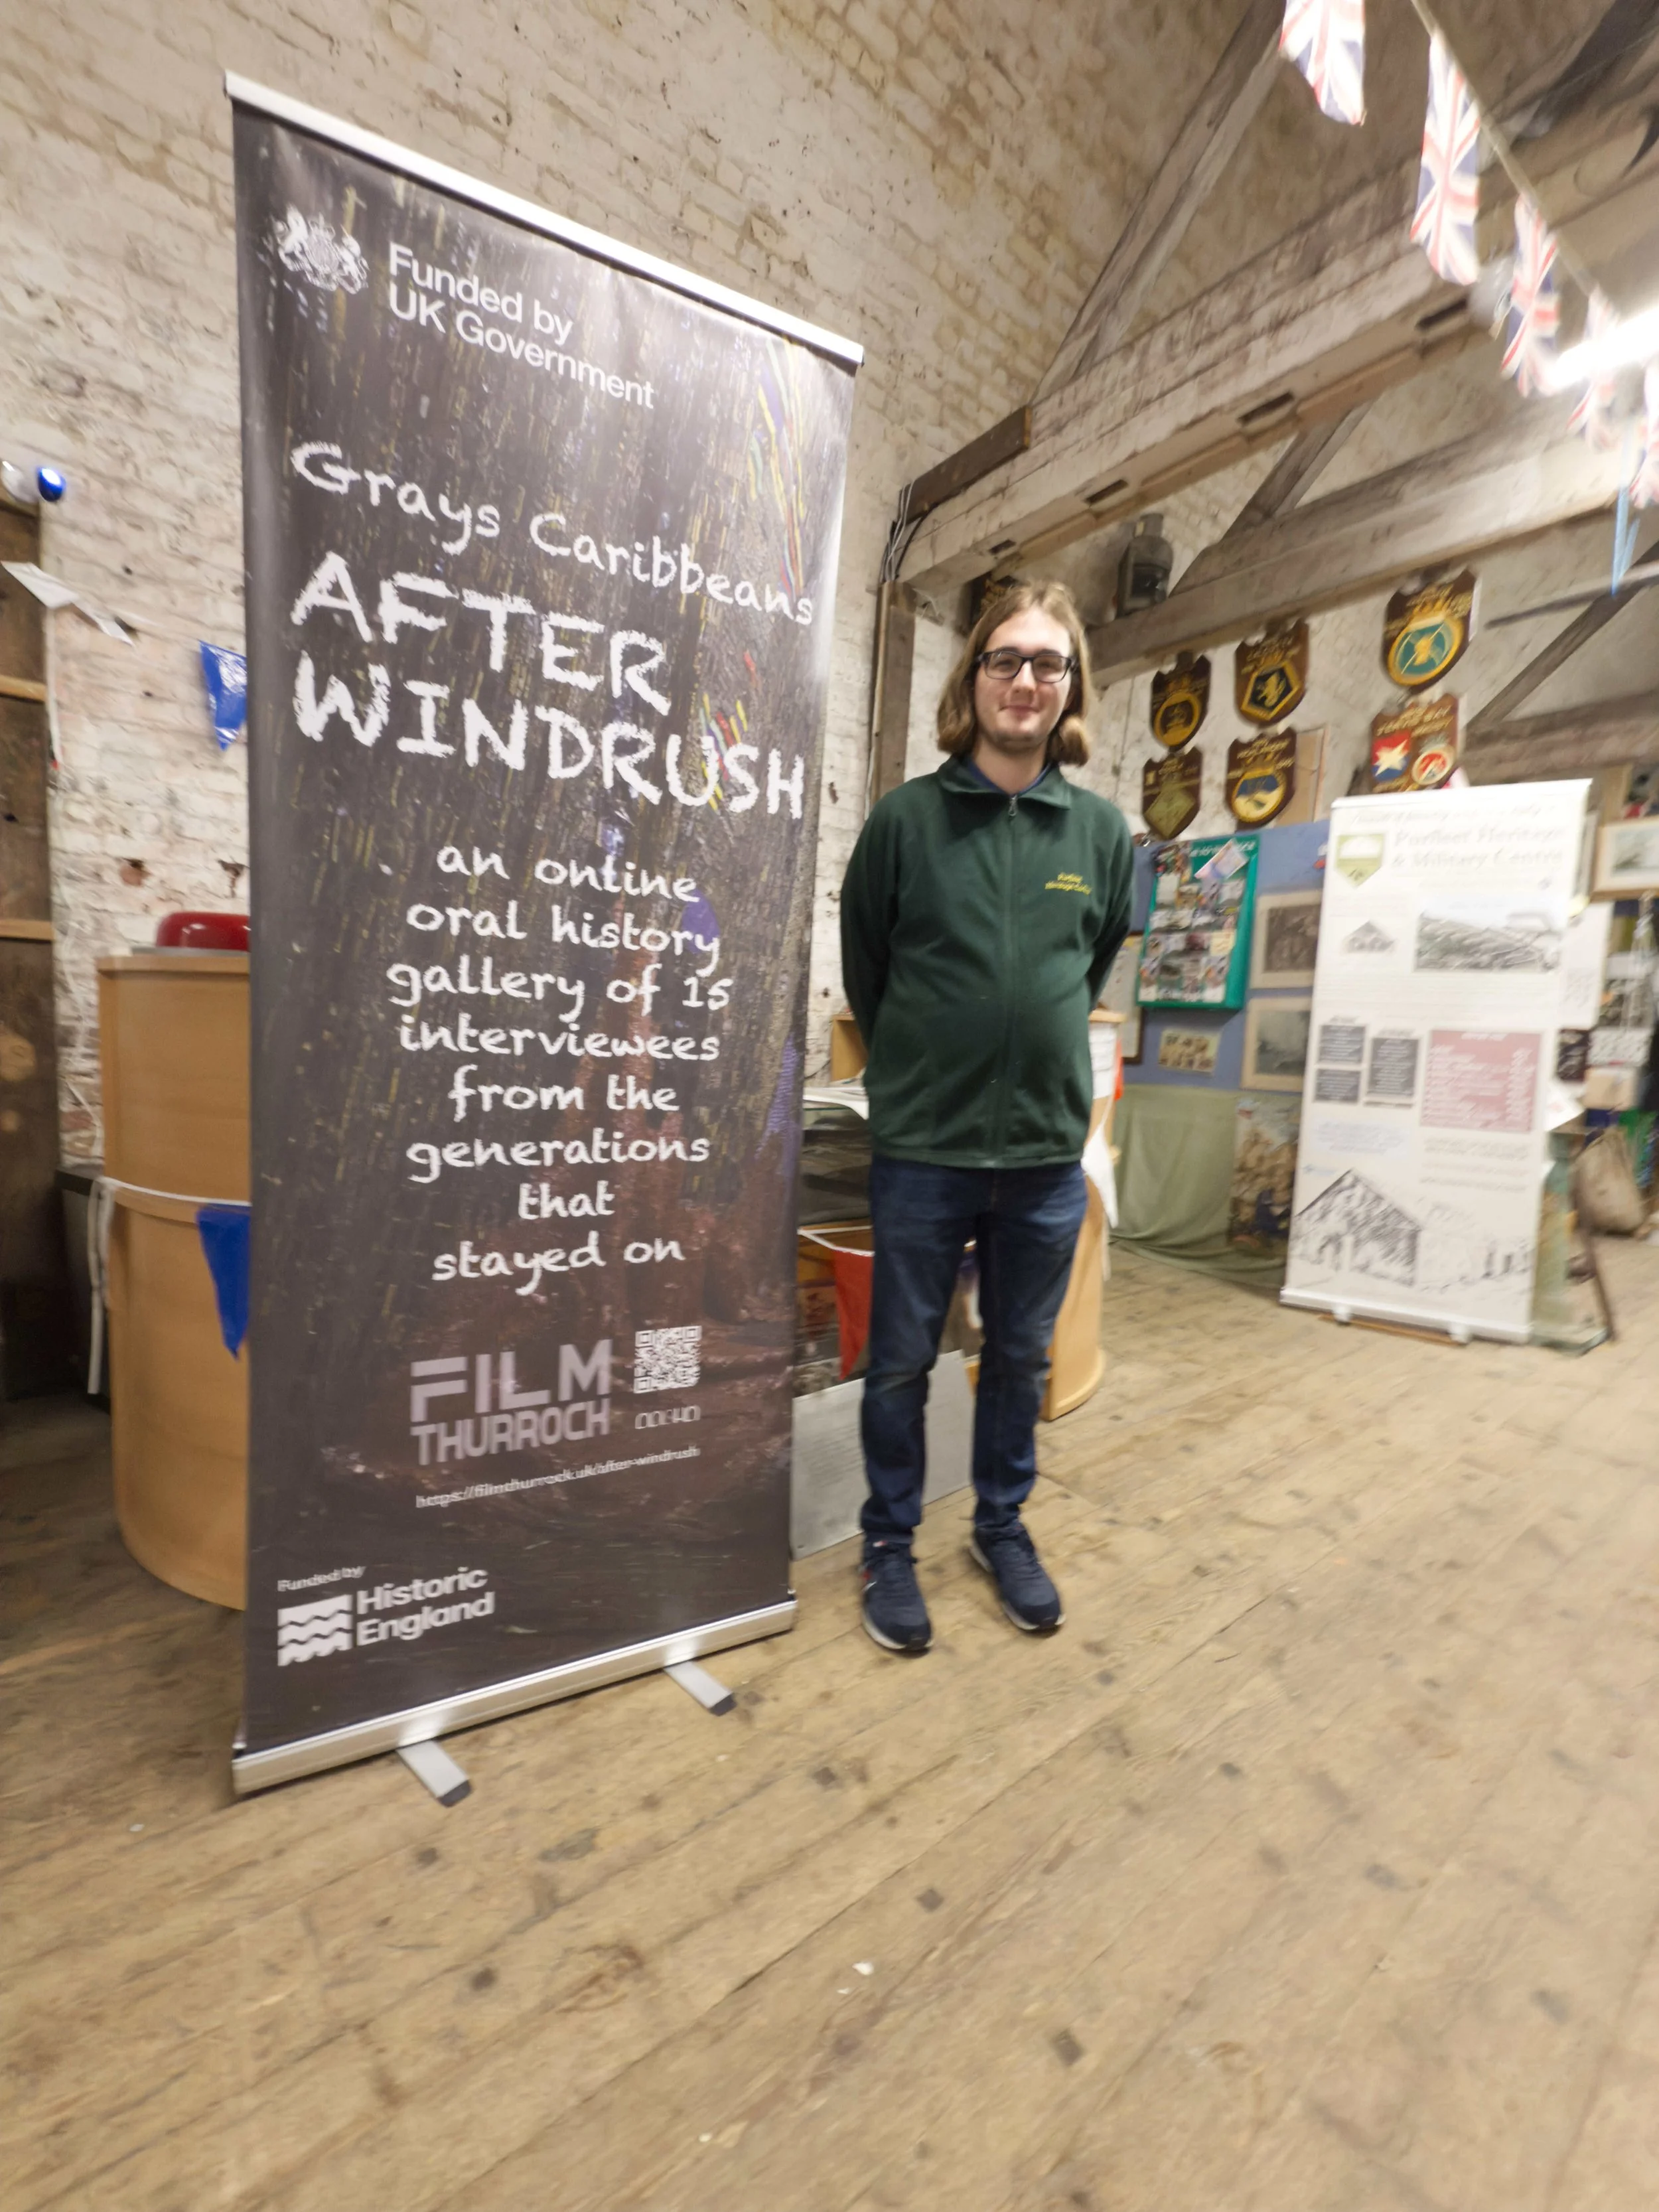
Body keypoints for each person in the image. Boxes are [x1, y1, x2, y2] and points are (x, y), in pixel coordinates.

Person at [839, 578, 1133, 1653]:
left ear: (1070, 690)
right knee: (902, 1363)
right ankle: (887, 1543)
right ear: (974, 679)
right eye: (1006, 659)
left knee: (1017, 1359)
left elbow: (1089, 965)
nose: (1026, 680)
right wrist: (921, 1076)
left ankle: (1001, 1526)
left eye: (1048, 664)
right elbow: (867, 971)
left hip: (1047, 1160)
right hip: (925, 1151)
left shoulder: (1101, 835)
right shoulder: (905, 822)